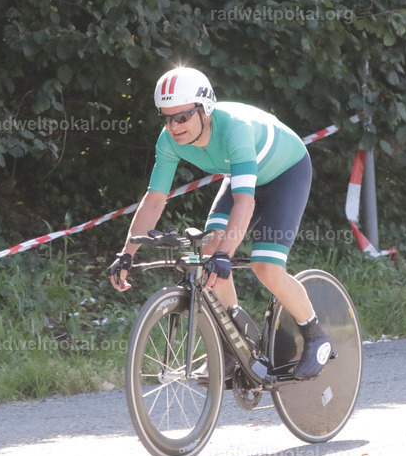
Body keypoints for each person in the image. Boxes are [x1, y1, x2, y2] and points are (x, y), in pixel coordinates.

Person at [107, 66, 331, 382]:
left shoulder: (235, 129)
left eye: (182, 117)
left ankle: (315, 334)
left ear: (205, 109)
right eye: (166, 118)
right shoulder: (169, 141)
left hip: (285, 174)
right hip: (243, 176)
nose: (173, 126)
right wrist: (127, 253)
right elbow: (155, 198)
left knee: (264, 266)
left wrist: (226, 254)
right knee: (208, 247)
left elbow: (245, 201)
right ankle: (232, 342)